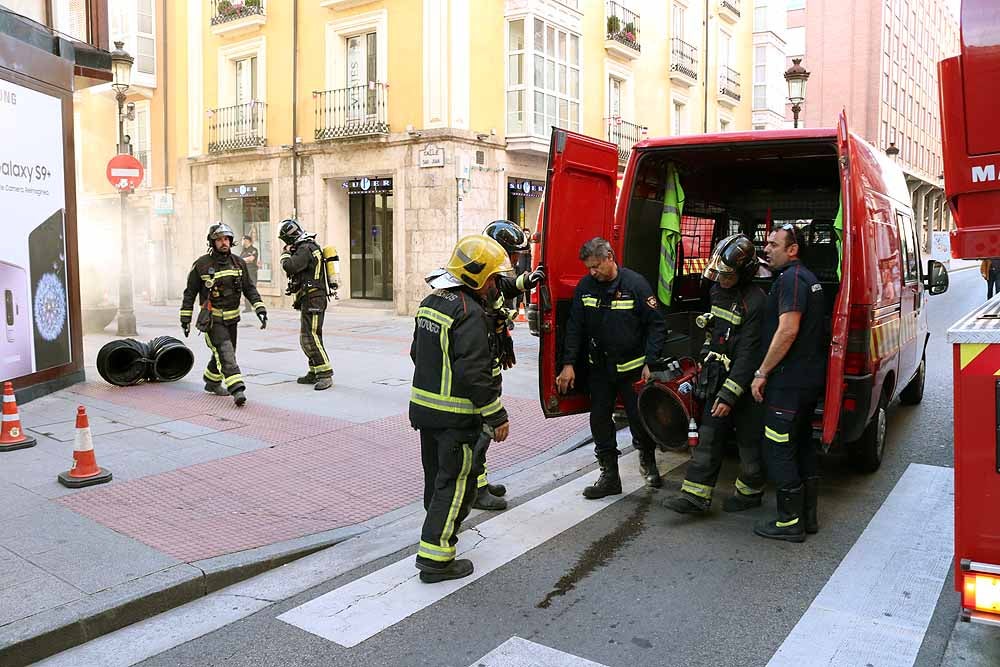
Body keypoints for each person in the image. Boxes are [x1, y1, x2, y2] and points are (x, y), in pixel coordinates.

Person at [410, 234, 512, 583]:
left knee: (436, 480)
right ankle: (436, 558)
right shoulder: (469, 311)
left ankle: (433, 531)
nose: (497, 285)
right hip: (456, 416)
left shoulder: (432, 301)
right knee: (455, 484)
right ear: (478, 276)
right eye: (494, 278)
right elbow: (474, 371)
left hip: (425, 411)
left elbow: (416, 354)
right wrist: (496, 415)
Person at [663, 234, 768, 514]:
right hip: (717, 376)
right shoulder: (718, 291)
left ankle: (750, 492)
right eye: (718, 274)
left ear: (744, 274)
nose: (721, 280)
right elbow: (715, 332)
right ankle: (695, 497)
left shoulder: (756, 303)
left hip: (743, 387)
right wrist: (705, 362)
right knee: (708, 436)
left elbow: (749, 356)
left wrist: (728, 395)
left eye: (727, 275)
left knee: (748, 444)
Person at [556, 237, 667, 498]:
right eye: (588, 268)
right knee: (600, 421)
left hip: (632, 370)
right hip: (600, 371)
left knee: (639, 420)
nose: (592, 272)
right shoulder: (586, 287)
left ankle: (647, 460)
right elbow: (574, 328)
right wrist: (568, 364)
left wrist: (651, 361)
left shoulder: (636, 285)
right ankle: (609, 476)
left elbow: (656, 325)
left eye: (596, 266)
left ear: (609, 258)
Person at [751, 223, 826, 542]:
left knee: (778, 448)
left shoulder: (792, 280)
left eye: (773, 245)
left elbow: (788, 330)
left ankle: (789, 521)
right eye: (766, 244)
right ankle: (808, 517)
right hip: (808, 382)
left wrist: (762, 371)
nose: (766, 249)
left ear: (792, 249)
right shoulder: (810, 279)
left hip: (788, 384)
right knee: (803, 445)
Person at [180, 222, 267, 407]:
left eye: (226, 239)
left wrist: (260, 308)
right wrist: (185, 318)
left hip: (232, 319)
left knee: (225, 352)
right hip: (213, 320)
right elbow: (190, 293)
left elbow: (249, 288)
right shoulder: (201, 265)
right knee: (226, 353)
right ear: (212, 242)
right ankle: (237, 389)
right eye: (219, 239)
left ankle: (211, 382)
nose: (224, 242)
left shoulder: (238, 263)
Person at [279, 219, 333, 391]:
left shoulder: (305, 248)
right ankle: (314, 371)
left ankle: (325, 374)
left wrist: (285, 254)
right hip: (310, 298)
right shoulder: (308, 246)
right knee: (306, 337)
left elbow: (290, 266)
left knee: (312, 336)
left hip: (314, 299)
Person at [240, 235, 259, 312]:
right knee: (246, 289)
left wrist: (241, 260)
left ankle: (256, 306)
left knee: (252, 289)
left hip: (252, 272)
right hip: (245, 272)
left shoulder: (253, 250)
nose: (243, 242)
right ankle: (248, 307)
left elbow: (251, 259)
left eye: (244, 240)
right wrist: (243, 260)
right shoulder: (243, 250)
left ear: (248, 241)